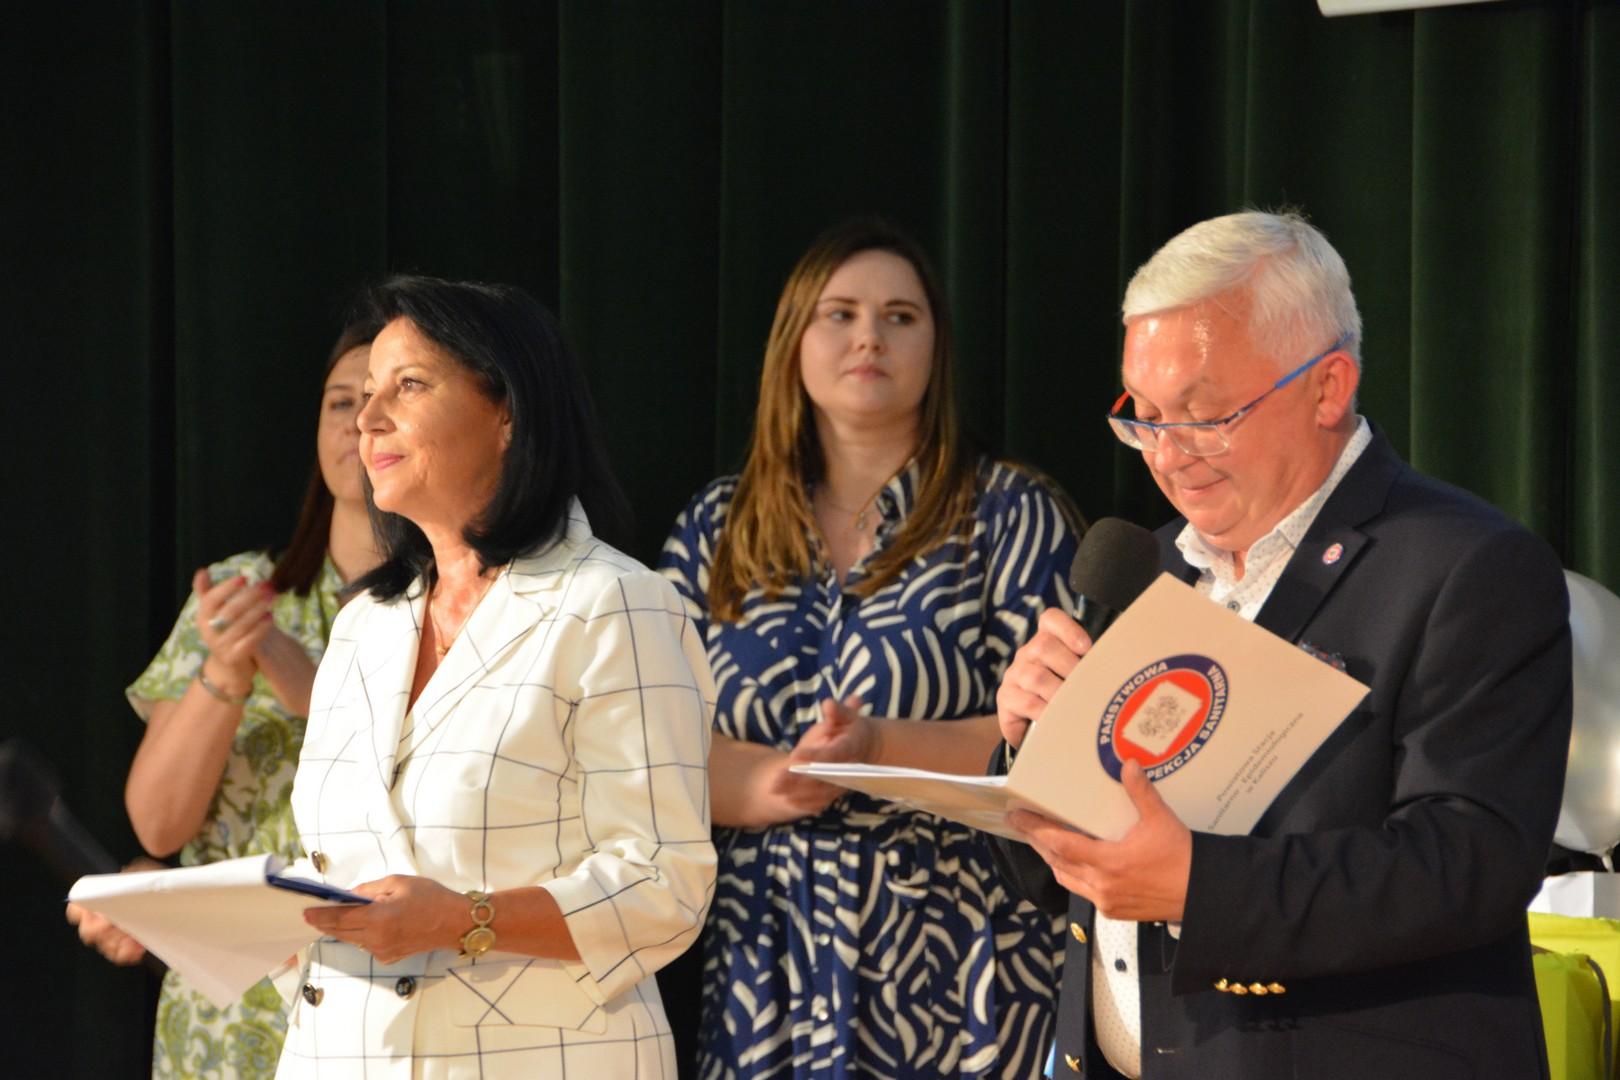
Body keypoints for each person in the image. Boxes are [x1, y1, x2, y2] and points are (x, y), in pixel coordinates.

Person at [991, 210, 1572, 1078]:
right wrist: (1030, 750)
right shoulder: (1152, 571)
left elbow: (1468, 864)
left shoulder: (1469, 567)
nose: (1166, 455)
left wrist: (1200, 889)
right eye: (1143, 416)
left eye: (1203, 415)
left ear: (1328, 386)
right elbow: (1053, 879)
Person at [660, 218, 1081, 1078]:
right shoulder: (715, 526)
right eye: (840, 314)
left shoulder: (1013, 514)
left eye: (900, 316)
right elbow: (648, 746)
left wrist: (877, 746)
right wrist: (776, 783)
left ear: (936, 347)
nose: (869, 338)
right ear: (794, 339)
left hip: (963, 956)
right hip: (766, 954)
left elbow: (1058, 739)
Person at [274, 275, 716, 1077]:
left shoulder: (613, 603)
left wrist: (464, 921)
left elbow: (664, 884)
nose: (368, 420)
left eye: (408, 386)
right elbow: (334, 864)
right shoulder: (364, 624)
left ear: (508, 410)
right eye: (364, 395)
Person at [64, 318, 386, 1078]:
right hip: (226, 1015)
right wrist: (230, 668)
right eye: (340, 402)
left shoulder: (460, 601)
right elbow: (157, 824)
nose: (358, 422)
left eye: (383, 400)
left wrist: (299, 674)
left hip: (380, 1000)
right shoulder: (243, 587)